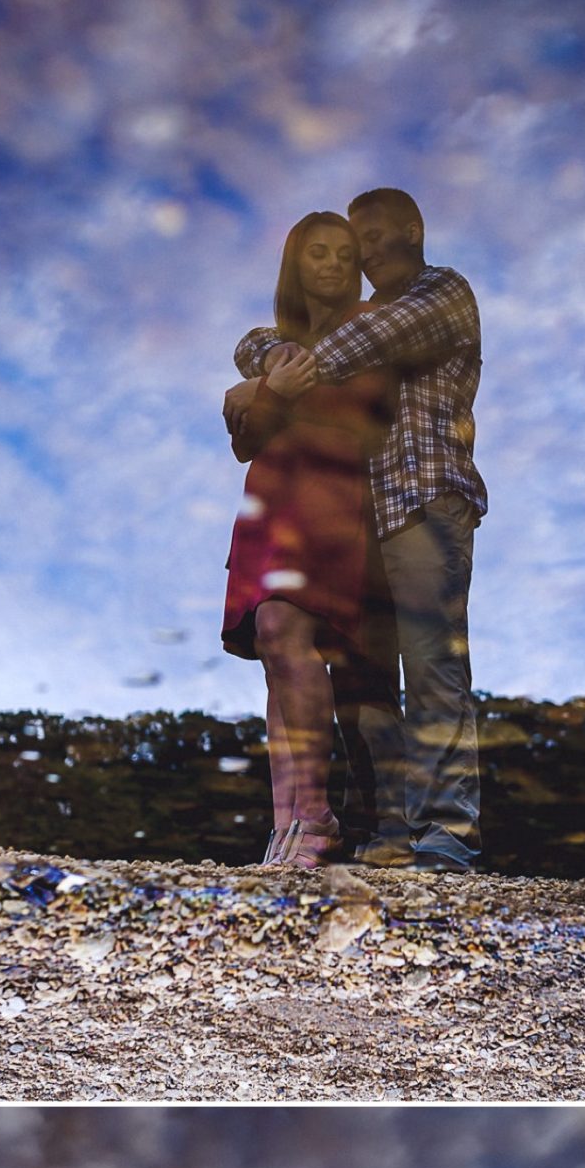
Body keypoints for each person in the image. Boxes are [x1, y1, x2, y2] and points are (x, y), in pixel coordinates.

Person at [228, 188, 487, 873]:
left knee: (433, 667)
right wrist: (260, 357)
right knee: (365, 683)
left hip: (426, 501)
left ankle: (446, 838)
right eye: (353, 243)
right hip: (366, 516)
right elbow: (266, 352)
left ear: (414, 229)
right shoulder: (364, 318)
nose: (365, 255)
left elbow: (345, 348)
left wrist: (261, 377)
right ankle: (387, 832)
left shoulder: (438, 295)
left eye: (372, 239)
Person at [222, 213, 399, 869]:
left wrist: (260, 381)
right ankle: (288, 823)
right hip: (274, 493)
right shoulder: (280, 344)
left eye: (343, 253)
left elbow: (364, 413)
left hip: (333, 494)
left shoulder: (373, 330)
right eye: (315, 253)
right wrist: (266, 383)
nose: (329, 264)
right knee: (273, 637)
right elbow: (245, 438)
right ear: (295, 264)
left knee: (294, 635)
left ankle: (316, 819)